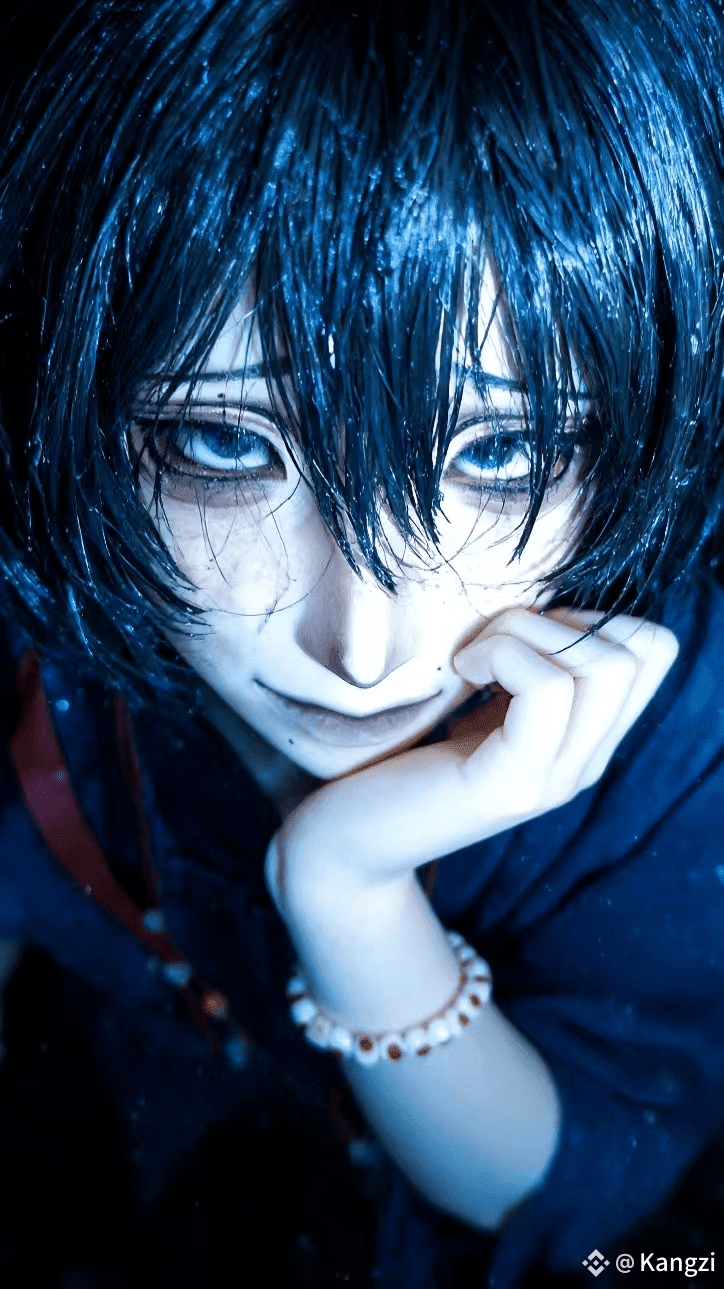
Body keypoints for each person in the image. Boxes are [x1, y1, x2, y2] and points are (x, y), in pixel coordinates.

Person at [0, 0, 723, 1284]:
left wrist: (349, 885)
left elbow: (547, 1188)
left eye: (501, 450)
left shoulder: (679, 729)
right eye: (224, 441)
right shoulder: (53, 598)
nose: (363, 643)